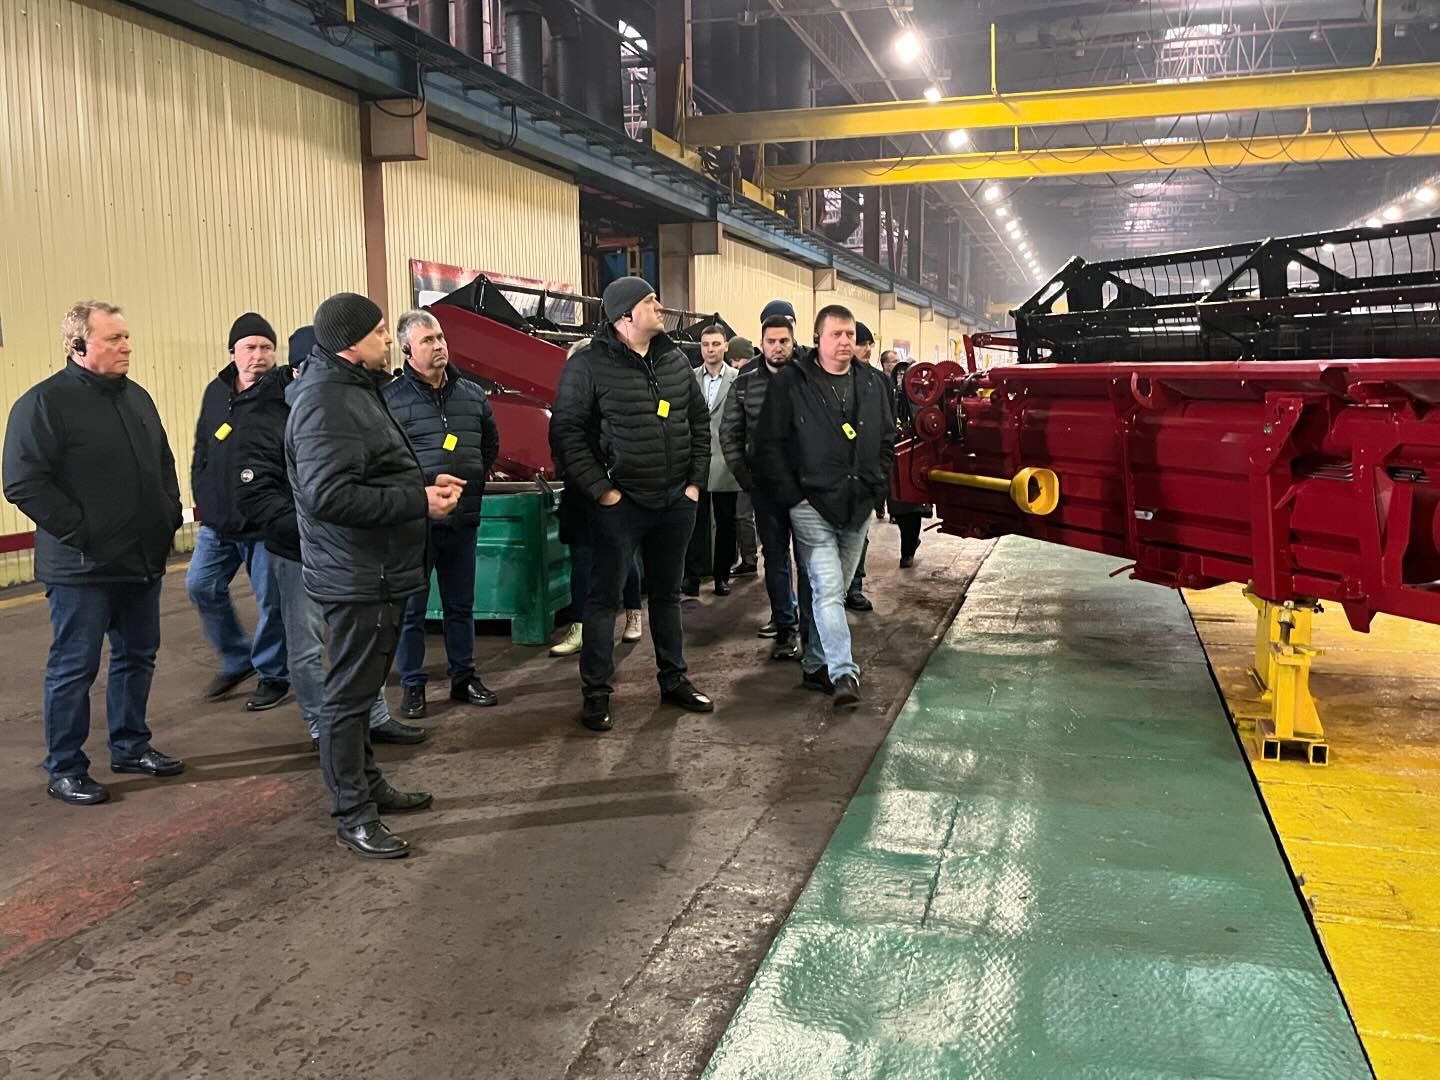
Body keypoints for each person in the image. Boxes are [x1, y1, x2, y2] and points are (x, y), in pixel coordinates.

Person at [287, 292, 462, 859]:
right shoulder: (325, 401)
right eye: (381, 331)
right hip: (357, 572)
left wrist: (420, 489)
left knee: (360, 694)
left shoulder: (354, 389)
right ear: (350, 342)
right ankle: (352, 813)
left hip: (374, 568)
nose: (389, 339)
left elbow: (368, 472)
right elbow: (330, 496)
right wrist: (417, 501)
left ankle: (367, 784)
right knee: (346, 697)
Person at [3, 300, 185, 805]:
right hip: (82, 567)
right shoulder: (44, 404)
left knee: (137, 656)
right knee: (74, 668)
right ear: (78, 345)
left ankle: (131, 746)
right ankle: (65, 767)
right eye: (114, 338)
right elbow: (23, 482)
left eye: (126, 336)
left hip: (140, 560)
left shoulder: (137, 398)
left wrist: (168, 514)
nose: (127, 346)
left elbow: (162, 463)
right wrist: (84, 533)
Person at [232, 326, 427, 750]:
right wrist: (310, 530)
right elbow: (258, 494)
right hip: (297, 550)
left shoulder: (348, 400)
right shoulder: (266, 415)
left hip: (350, 548)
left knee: (360, 643)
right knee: (307, 646)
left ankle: (374, 718)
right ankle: (325, 729)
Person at [549, 277, 713, 732]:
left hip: (674, 501)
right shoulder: (588, 366)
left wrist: (694, 484)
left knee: (667, 596)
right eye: (649, 300)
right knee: (603, 601)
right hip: (620, 505)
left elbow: (699, 422)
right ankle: (596, 694)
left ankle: (674, 680)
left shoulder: (674, 360)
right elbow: (566, 433)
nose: (660, 306)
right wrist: (603, 491)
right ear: (625, 315)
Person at [753, 304, 895, 708]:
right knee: (829, 588)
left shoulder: (873, 383)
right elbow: (769, 444)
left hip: (857, 505)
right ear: (817, 339)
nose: (846, 341)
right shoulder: (792, 382)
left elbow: (886, 438)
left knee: (831, 591)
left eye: (850, 334)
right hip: (810, 504)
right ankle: (843, 671)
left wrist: (876, 486)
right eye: (837, 334)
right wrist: (794, 496)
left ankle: (815, 662)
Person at [384, 310, 501, 719]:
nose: (438, 346)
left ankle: (463, 677)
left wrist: (470, 483)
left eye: (440, 338)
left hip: (462, 518)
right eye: (427, 341)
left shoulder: (472, 395)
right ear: (407, 349)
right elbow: (386, 463)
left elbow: (489, 446)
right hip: (415, 524)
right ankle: (412, 686)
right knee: (412, 610)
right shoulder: (391, 400)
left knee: (461, 606)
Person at [187, 314, 290, 710]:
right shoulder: (216, 392)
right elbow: (202, 447)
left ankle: (273, 674)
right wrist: (203, 494)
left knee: (271, 603)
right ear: (233, 352)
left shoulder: (285, 393)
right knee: (201, 586)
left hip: (265, 524)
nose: (258, 355)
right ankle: (236, 657)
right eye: (250, 347)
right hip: (219, 522)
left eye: (266, 347)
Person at [550, 338, 646, 658]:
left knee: (624, 558)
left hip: (615, 494)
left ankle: (633, 613)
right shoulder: (565, 408)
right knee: (581, 562)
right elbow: (559, 446)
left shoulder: (616, 404)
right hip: (579, 496)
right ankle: (579, 627)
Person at [720, 308, 807, 662]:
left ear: (793, 341)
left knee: (810, 562)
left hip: (807, 491)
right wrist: (746, 478)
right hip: (766, 490)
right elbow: (729, 433)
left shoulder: (811, 377)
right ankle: (785, 628)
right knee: (775, 559)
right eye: (771, 341)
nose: (777, 347)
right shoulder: (744, 383)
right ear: (761, 343)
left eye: (784, 340)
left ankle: (811, 631)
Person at [683, 325, 740, 597]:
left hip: (726, 462)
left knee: (726, 522)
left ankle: (721, 576)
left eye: (716, 344)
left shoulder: (737, 380)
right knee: (694, 522)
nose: (710, 349)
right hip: (696, 460)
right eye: (705, 344)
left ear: (726, 346)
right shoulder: (690, 378)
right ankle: (692, 577)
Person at [845, 321, 880, 606]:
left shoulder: (877, 381)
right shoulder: (827, 379)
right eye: (862, 344)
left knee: (860, 534)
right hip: (832, 473)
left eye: (869, 344)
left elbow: (887, 431)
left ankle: (854, 587)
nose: (866, 349)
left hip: (864, 473)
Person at [725, 335, 759, 576]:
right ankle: (751, 557)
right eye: (733, 360)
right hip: (748, 460)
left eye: (738, 359)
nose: (736, 365)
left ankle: (750, 558)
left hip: (752, 460)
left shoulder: (748, 381)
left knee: (745, 514)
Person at [888, 359, 926, 568]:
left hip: (914, 457)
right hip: (892, 457)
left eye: (906, 374)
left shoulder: (922, 398)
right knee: (898, 507)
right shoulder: (889, 395)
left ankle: (908, 551)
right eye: (899, 374)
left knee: (912, 508)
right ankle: (910, 541)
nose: (902, 378)